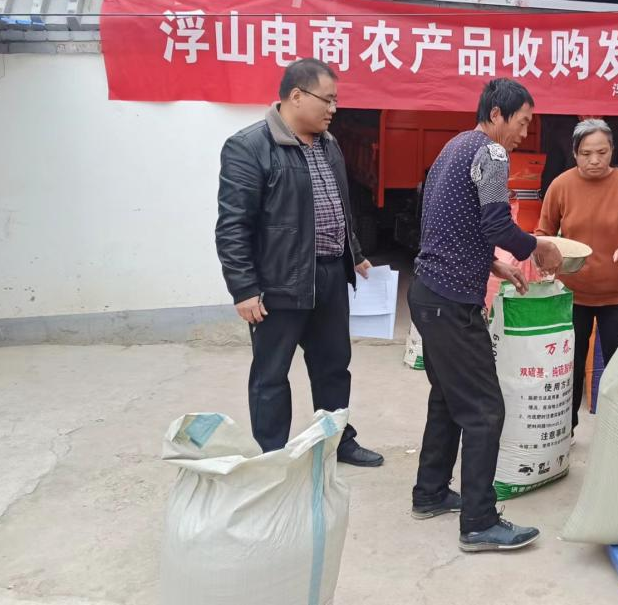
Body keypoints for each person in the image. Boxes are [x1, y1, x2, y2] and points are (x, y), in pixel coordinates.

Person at [408, 78, 563, 553]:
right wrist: (539, 246)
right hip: (451, 302)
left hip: (427, 292)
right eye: (522, 122)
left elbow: (445, 220)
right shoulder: (492, 153)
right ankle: (478, 522)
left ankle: (430, 493)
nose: (524, 134)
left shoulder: (454, 146)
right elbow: (496, 222)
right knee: (484, 409)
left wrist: (492, 263)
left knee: (447, 398)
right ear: (497, 114)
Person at [215, 58, 384, 467]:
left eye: (335, 100)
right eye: (327, 99)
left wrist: (355, 252)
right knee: (271, 374)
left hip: (330, 275)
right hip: (280, 282)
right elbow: (233, 226)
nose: (334, 109)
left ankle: (336, 441)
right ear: (296, 96)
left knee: (334, 366)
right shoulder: (249, 146)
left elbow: (338, 206)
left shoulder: (329, 144)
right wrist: (244, 288)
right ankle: (274, 455)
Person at [536, 119, 618, 431]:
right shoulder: (561, 185)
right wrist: (545, 257)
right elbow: (543, 232)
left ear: (612, 151)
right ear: (575, 153)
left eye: (602, 152)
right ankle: (565, 429)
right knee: (569, 365)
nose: (594, 160)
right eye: (586, 153)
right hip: (572, 292)